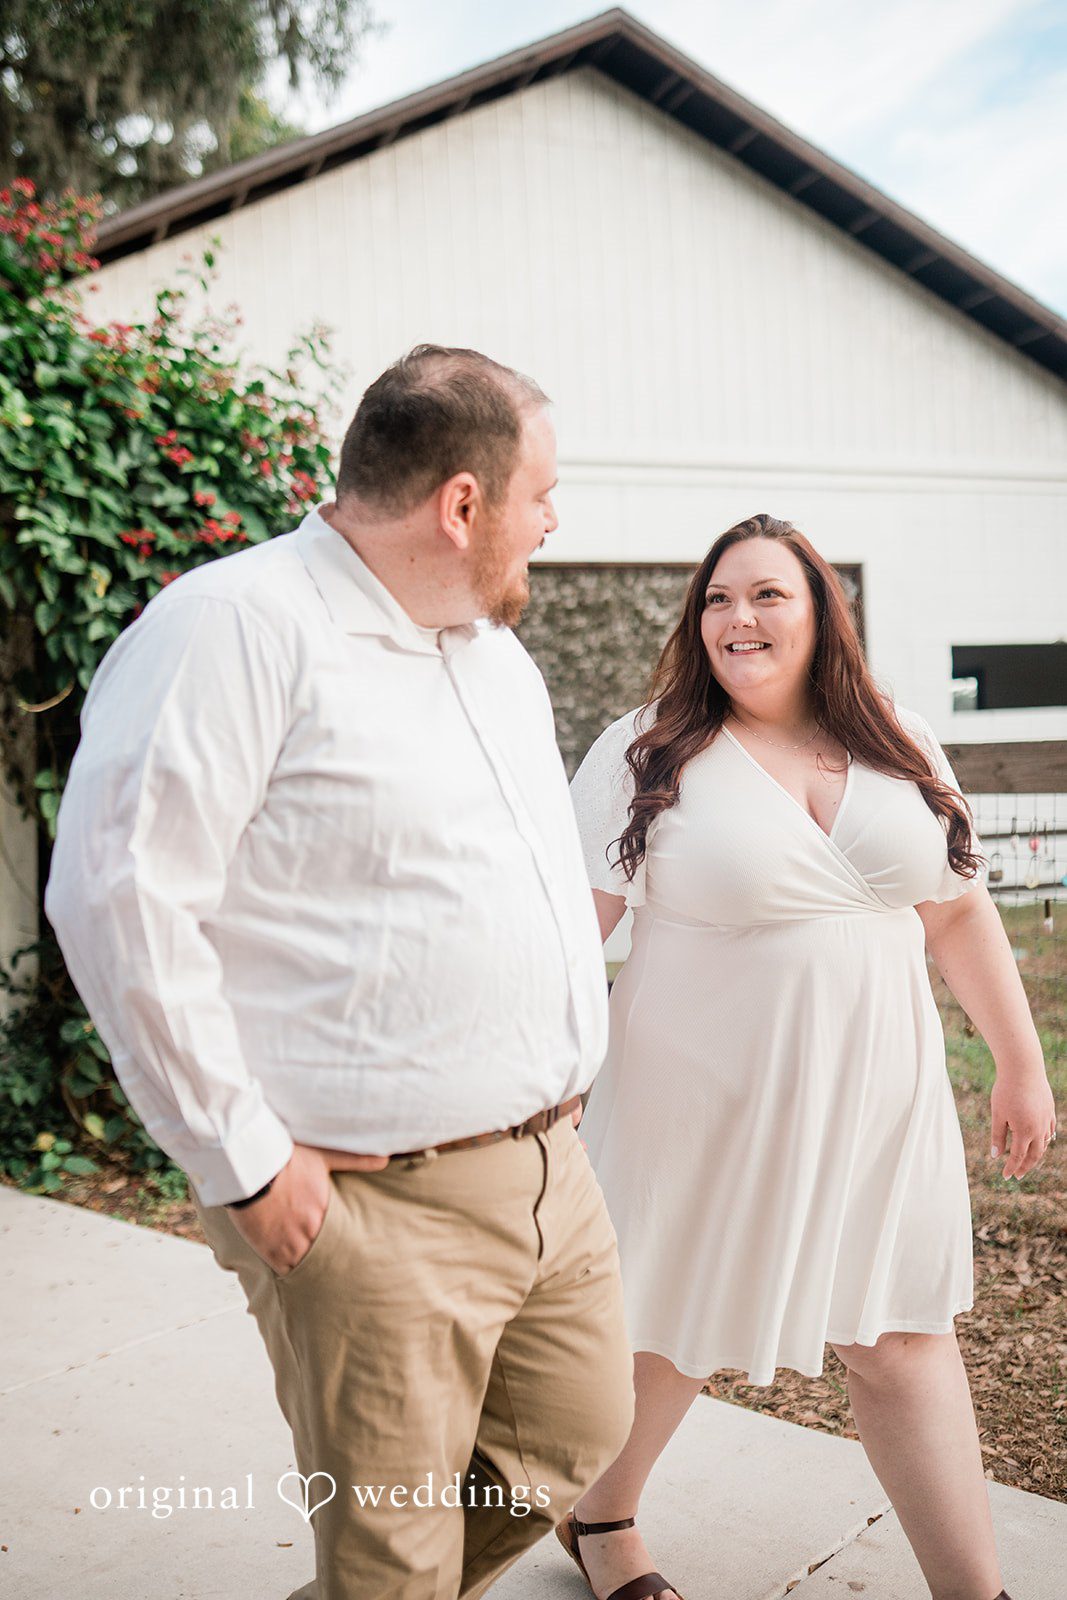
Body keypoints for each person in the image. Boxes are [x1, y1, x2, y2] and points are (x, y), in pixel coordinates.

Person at [45, 345, 635, 1600]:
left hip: (547, 1170)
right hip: (374, 1204)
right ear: (461, 502)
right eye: (539, 493)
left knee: (573, 1434)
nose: (551, 519)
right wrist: (243, 1157)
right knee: (393, 1550)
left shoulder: (495, 657)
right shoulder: (234, 628)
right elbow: (119, 898)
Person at [560, 514, 1056, 1600]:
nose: (736, 617)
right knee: (667, 1326)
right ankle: (600, 1518)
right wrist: (527, 1084)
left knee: (901, 1330)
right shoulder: (646, 749)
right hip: (692, 1097)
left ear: (820, 611)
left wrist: (1019, 1061)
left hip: (876, 1095)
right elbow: (564, 936)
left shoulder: (900, 739)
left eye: (765, 594)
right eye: (716, 599)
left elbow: (957, 913)